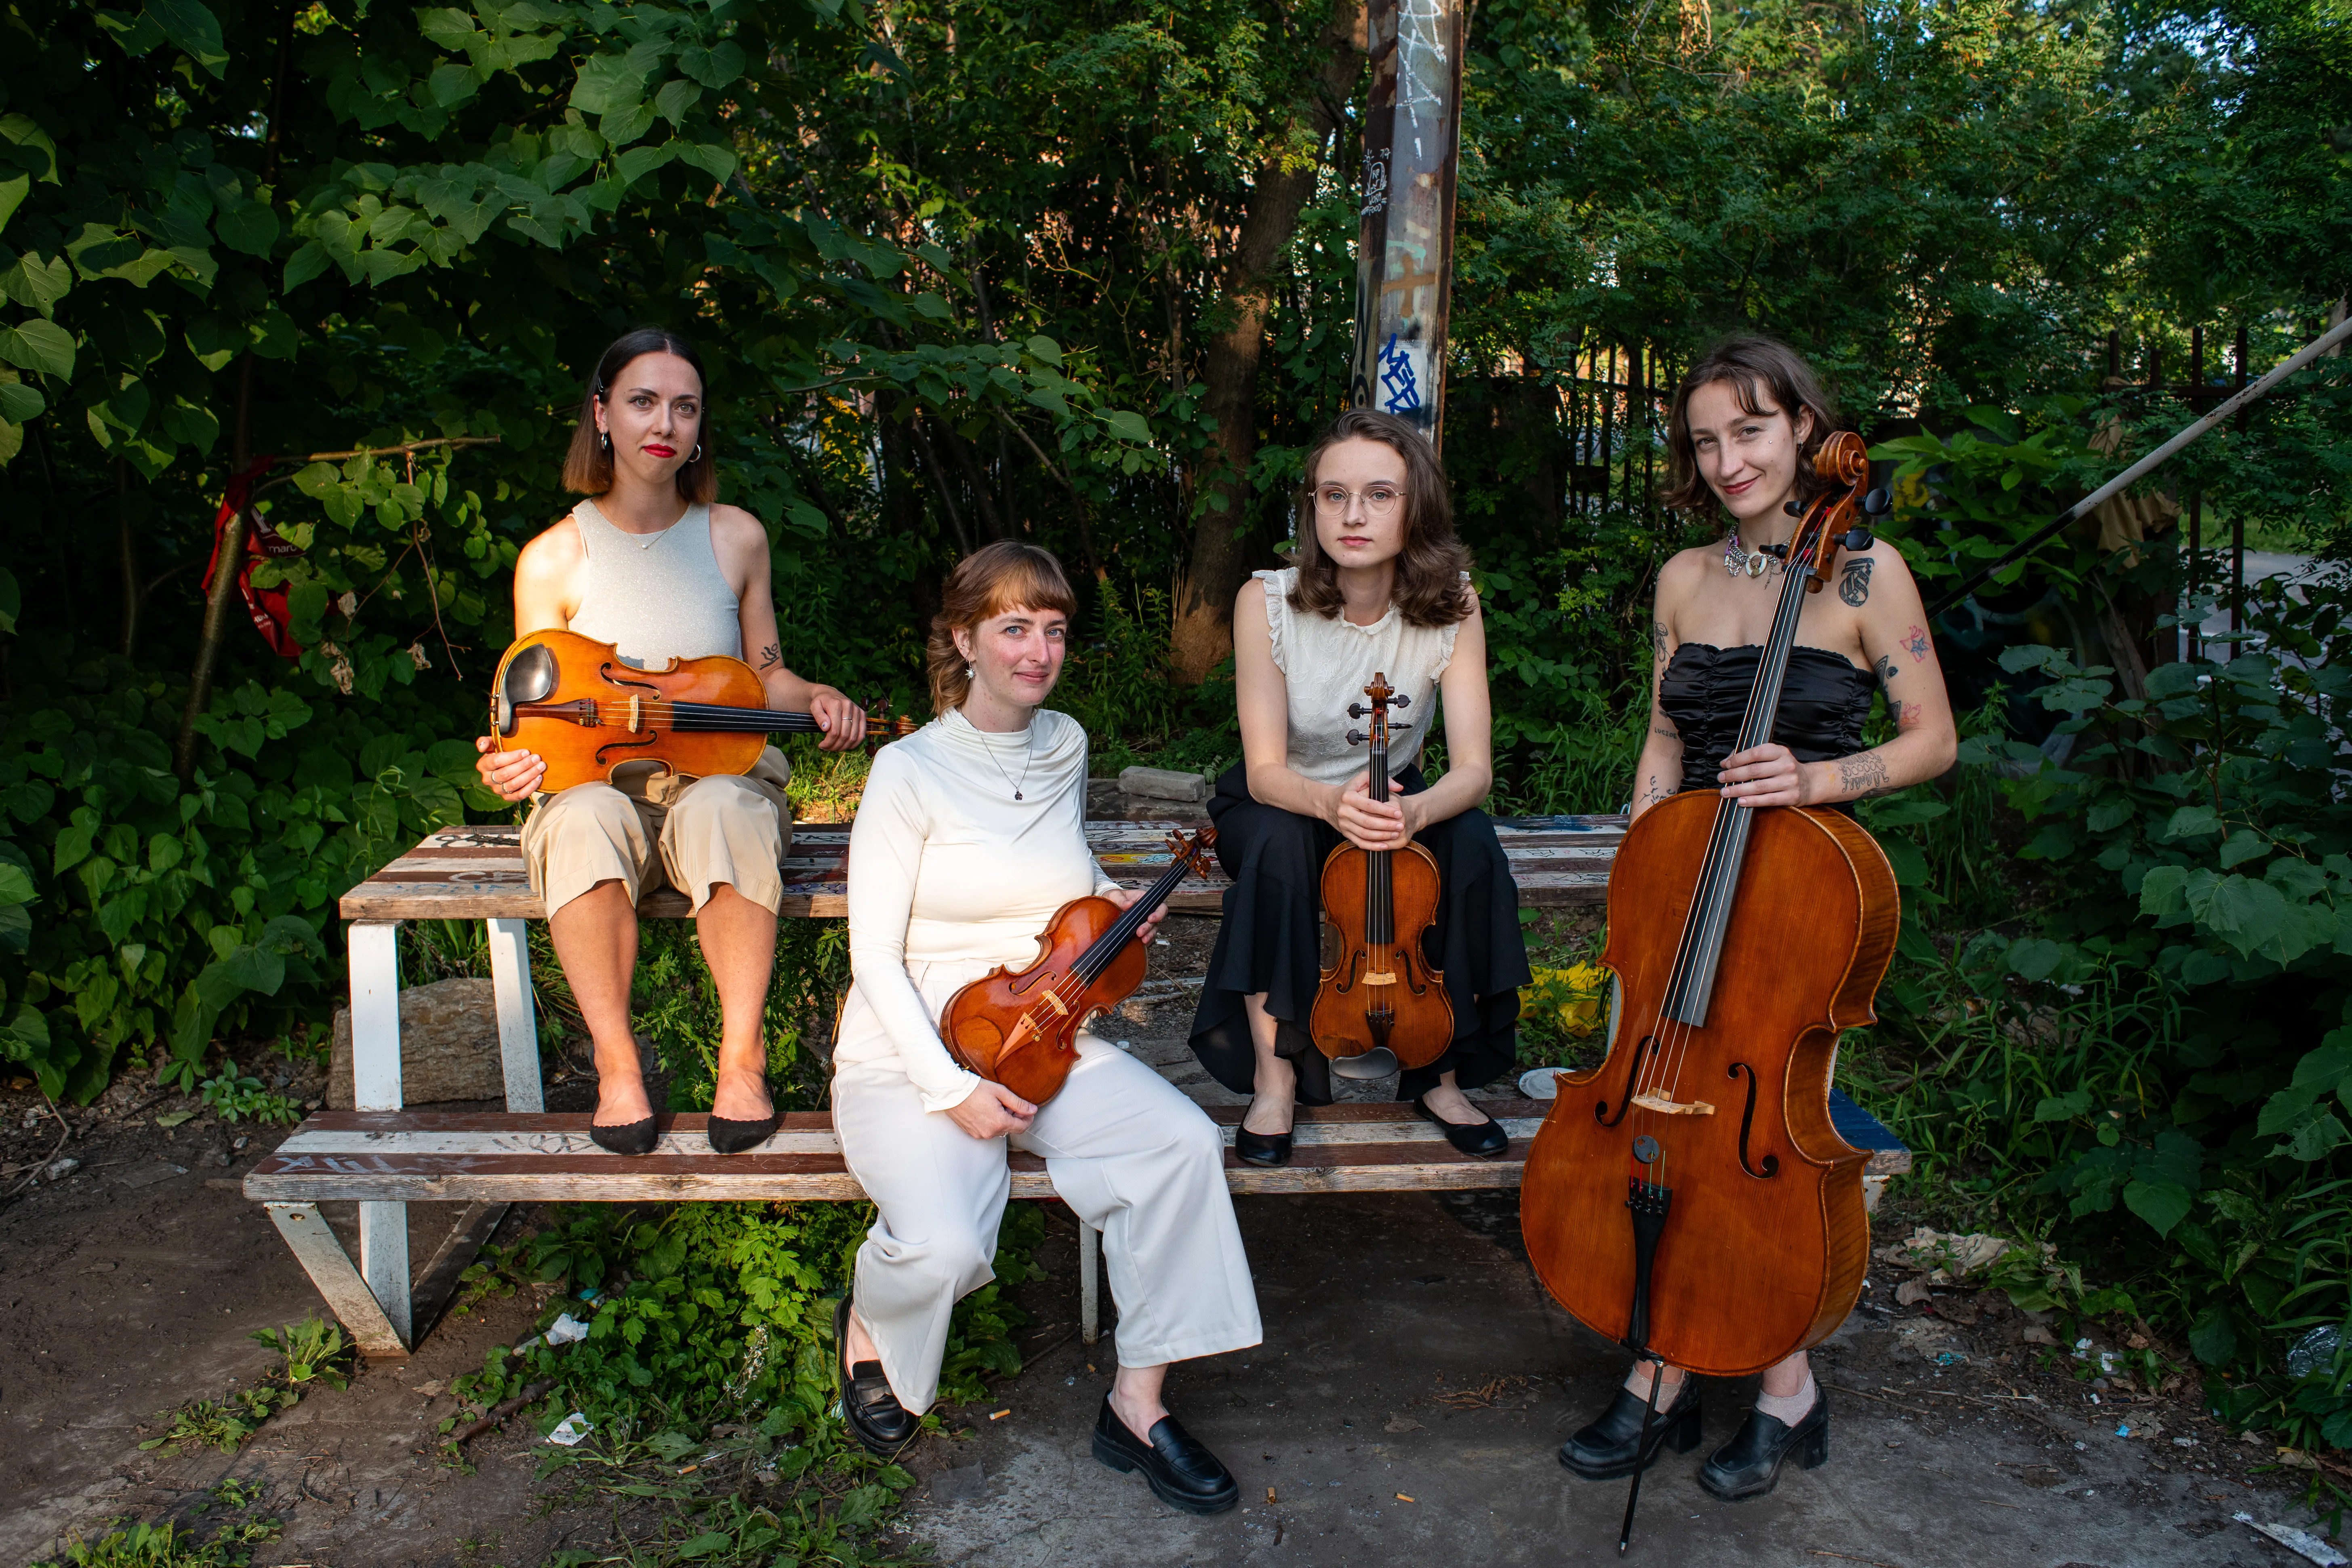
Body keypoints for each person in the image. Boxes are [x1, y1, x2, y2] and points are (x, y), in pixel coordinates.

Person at [1559, 335, 1958, 1500]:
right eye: (1703, 439)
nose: (1726, 457)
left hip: (1791, 899)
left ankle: (1768, 1385)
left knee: (1747, 1152)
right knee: (1663, 1135)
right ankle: (1667, 1369)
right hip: (1684, 891)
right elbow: (1664, 740)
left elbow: (1932, 741)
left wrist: (1814, 781)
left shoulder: (1863, 576)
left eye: (1748, 429)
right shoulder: (1683, 578)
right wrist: (1643, 871)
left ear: (1800, 430)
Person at [829, 541, 1260, 1512]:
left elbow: (1052, 885)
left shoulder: (1063, 742)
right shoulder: (907, 770)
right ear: (963, 639)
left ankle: (1138, 1404)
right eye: (1014, 628)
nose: (1037, 650)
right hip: (915, 1041)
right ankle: (869, 1321)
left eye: (1053, 629)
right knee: (942, 1245)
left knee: (1181, 1143)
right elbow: (873, 957)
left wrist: (1111, 906)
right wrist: (950, 1089)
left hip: (1041, 1018)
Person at [472, 327, 870, 1157]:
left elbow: (766, 677)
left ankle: (741, 1058)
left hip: (717, 769)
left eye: (684, 407)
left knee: (726, 805)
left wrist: (819, 697)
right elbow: (533, 710)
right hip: (601, 785)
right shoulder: (551, 557)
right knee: (580, 821)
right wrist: (511, 759)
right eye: (643, 401)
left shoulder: (735, 536)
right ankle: (618, 1068)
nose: (666, 421)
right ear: (602, 415)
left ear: (699, 429)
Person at [1187, 408, 1532, 1166]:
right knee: (1276, 848)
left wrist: (1412, 811)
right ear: (1310, 506)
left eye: (1380, 494)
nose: (1352, 514)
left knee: (1468, 841)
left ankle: (1439, 1073)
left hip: (1390, 796)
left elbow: (1473, 771)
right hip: (1280, 799)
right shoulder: (1266, 602)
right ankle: (1275, 1083)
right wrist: (1329, 805)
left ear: (1418, 506)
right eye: (1332, 494)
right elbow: (1267, 767)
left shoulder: (1454, 605)